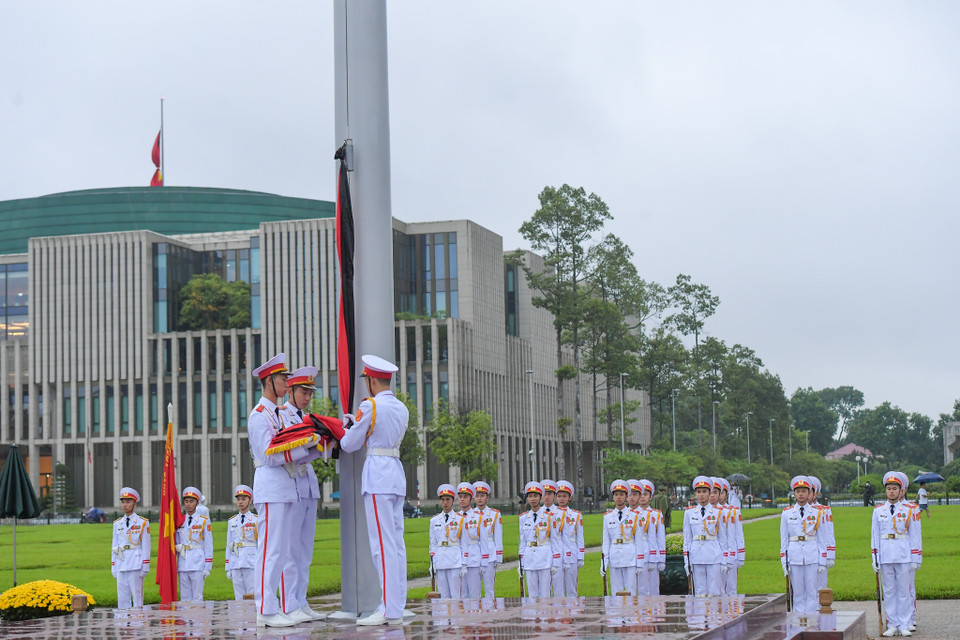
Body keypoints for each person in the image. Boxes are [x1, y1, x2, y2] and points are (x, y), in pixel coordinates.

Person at [248, 352, 320, 628]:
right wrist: (303, 446)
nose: (286, 383)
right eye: (282, 378)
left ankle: (274, 607)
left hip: (285, 485)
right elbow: (268, 454)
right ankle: (265, 609)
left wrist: (314, 446)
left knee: (281, 551)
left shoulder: (275, 413)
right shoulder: (260, 415)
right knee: (271, 550)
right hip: (271, 486)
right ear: (269, 381)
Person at [339, 354, 410, 626]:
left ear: (371, 381)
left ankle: (389, 609)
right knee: (397, 545)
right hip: (395, 473)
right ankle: (396, 605)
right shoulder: (401, 407)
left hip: (378, 475)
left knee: (382, 545)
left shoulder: (370, 405)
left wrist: (347, 429)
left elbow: (350, 444)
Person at [278, 365, 326, 622]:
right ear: (291, 390)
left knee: (305, 550)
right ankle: (289, 604)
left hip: (307, 485)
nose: (308, 397)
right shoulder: (282, 416)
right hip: (291, 483)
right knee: (290, 549)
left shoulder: (307, 419)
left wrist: (323, 444)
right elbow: (285, 448)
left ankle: (301, 601)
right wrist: (309, 443)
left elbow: (309, 452)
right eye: (304, 392)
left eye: (310, 393)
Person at [872, 471, 921, 637]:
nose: (891, 492)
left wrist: (916, 558)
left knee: (904, 591)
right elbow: (875, 536)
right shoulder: (878, 510)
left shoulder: (909, 510)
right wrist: (875, 557)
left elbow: (914, 536)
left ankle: (904, 623)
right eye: (889, 489)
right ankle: (892, 624)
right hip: (885, 555)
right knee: (889, 591)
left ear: (901, 491)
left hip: (903, 554)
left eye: (894, 489)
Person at [780, 476, 825, 614]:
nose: (801, 494)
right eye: (798, 491)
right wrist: (784, 561)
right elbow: (784, 539)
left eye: (804, 491)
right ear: (794, 493)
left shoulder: (817, 513)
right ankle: (798, 618)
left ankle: (811, 618)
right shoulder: (787, 513)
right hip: (794, 555)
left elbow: (821, 539)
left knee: (812, 590)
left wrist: (822, 561)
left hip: (812, 555)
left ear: (809, 493)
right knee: (798, 591)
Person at [683, 476, 729, 596]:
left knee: (714, 591)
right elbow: (687, 539)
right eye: (699, 492)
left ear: (709, 493)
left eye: (704, 491)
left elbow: (723, 538)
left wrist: (724, 560)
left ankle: (714, 609)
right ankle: (700, 609)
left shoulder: (718, 512)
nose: (701, 495)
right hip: (696, 555)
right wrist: (686, 561)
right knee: (700, 592)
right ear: (695, 494)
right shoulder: (689, 513)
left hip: (714, 555)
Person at [518, 481, 560, 597]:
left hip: (544, 558)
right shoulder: (523, 518)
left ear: (540, 497)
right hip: (529, 558)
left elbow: (554, 540)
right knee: (532, 594)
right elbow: (522, 541)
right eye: (530, 496)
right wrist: (521, 562)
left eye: (535, 496)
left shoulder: (549, 517)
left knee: (545, 593)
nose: (532, 499)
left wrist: (555, 562)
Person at [601, 479, 643, 596]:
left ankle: (631, 609)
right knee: (616, 591)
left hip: (630, 556)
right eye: (616, 495)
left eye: (621, 494)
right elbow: (606, 541)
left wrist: (640, 562)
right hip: (614, 556)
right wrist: (604, 561)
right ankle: (617, 609)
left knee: (631, 591)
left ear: (626, 497)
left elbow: (639, 540)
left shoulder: (635, 516)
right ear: (613, 497)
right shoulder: (608, 517)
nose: (618, 497)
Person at [111, 487, 150, 609]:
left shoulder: (142, 522)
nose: (124, 505)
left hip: (136, 563)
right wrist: (113, 565)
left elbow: (146, 546)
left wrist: (145, 565)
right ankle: (123, 620)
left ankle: (137, 620)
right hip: (121, 563)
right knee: (122, 598)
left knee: (137, 598)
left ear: (134, 504)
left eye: (128, 502)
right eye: (123, 502)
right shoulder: (117, 523)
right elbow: (114, 545)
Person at [176, 486, 213, 602]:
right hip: (183, 562)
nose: (188, 504)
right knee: (184, 598)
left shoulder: (203, 521)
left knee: (197, 597)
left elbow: (208, 544)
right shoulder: (180, 520)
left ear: (197, 503)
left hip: (197, 562)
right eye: (186, 501)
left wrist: (208, 566)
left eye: (191, 501)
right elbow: (176, 540)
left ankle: (198, 615)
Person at [429, 483, 465, 599]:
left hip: (455, 560)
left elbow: (464, 543)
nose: (445, 502)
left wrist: (464, 564)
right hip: (440, 560)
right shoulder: (434, 520)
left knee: (455, 595)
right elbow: (433, 543)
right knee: (443, 596)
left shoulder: (460, 519)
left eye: (448, 499)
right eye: (443, 500)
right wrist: (432, 564)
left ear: (453, 500)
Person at [225, 484, 258, 600]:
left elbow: (260, 544)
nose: (240, 502)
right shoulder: (232, 521)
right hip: (236, 562)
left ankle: (252, 613)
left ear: (250, 500)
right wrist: (228, 566)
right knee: (238, 596)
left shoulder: (256, 519)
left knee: (252, 594)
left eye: (244, 499)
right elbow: (229, 544)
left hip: (251, 561)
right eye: (238, 499)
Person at [471, 481, 502, 598]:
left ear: (487, 497)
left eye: (482, 496)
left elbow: (498, 536)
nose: (479, 498)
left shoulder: (494, 514)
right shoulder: (469, 514)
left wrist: (499, 556)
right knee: (474, 589)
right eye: (477, 496)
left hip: (490, 553)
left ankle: (490, 608)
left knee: (489, 588)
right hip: (474, 553)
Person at [554, 480, 584, 596]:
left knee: (572, 587)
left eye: (564, 496)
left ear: (570, 498)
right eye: (559, 496)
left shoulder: (576, 515)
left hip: (572, 552)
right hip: (557, 552)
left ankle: (573, 607)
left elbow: (580, 537)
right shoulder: (551, 515)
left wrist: (581, 556)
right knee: (557, 588)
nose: (562, 499)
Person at [638, 479, 666, 596]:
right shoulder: (630, 514)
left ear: (650, 497)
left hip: (652, 555)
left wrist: (661, 559)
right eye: (640, 494)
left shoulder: (656, 514)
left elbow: (661, 538)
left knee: (653, 588)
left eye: (645, 494)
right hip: (635, 555)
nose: (642, 497)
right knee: (638, 589)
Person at [716, 478, 743, 595]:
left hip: (731, 552)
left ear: (726, 494)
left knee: (731, 587)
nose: (719, 496)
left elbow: (738, 534)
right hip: (715, 552)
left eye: (722, 493)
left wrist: (740, 555)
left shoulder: (733, 511)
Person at [808, 476, 835, 591]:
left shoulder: (823, 510)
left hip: (820, 552)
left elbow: (828, 533)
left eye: (810, 491)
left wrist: (830, 555)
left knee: (820, 587)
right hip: (803, 553)